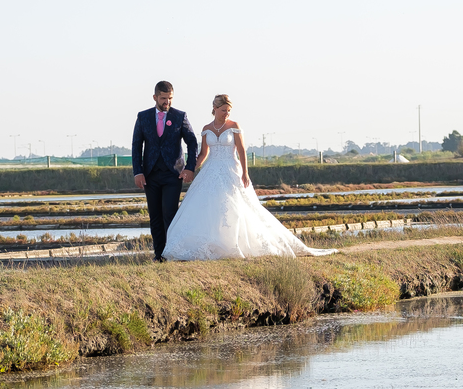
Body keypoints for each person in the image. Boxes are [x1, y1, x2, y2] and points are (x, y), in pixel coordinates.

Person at [162, 95, 335, 260]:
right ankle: (212, 245)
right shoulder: (206, 129)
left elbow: (242, 151)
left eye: (228, 110)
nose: (226, 114)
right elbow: (203, 153)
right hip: (211, 170)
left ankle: (236, 244)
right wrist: (190, 169)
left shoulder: (234, 125)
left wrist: (245, 172)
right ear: (214, 109)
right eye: (223, 110)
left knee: (235, 207)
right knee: (208, 207)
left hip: (230, 169)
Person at [132, 81, 198, 262]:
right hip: (150, 174)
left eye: (169, 98)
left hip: (173, 174)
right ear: (155, 97)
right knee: (155, 216)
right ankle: (159, 255)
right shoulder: (143, 117)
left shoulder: (180, 116)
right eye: (163, 98)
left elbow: (192, 142)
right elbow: (136, 146)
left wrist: (190, 168)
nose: (166, 102)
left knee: (170, 213)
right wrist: (138, 172)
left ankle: (172, 252)